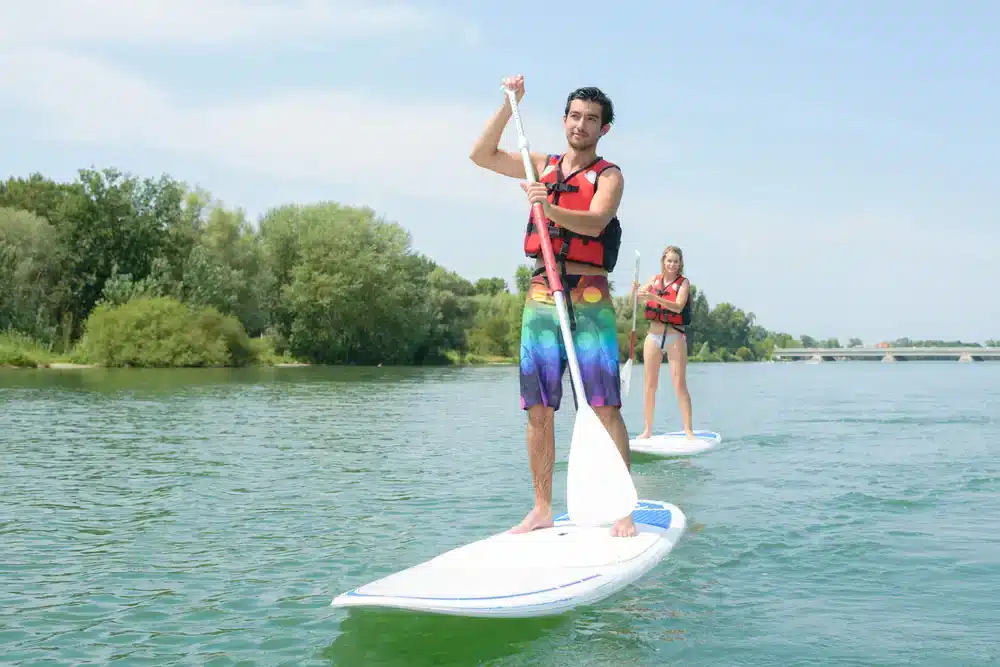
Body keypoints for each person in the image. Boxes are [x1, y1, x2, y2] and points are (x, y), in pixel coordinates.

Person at [469, 74, 636, 538]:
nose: (581, 125)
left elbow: (597, 220)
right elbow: (480, 155)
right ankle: (542, 507)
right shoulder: (539, 163)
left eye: (591, 120)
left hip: (589, 294)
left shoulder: (610, 175)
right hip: (543, 291)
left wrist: (549, 208)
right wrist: (509, 105)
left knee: (604, 404)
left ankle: (622, 508)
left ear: (604, 130)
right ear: (564, 120)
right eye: (575, 116)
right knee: (538, 407)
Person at [633, 245, 695, 440]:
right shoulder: (654, 280)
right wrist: (636, 291)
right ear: (663, 261)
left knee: (679, 385)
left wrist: (653, 297)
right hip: (653, 336)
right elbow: (637, 300)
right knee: (649, 385)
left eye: (676, 261)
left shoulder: (683, 283)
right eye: (669, 260)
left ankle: (688, 430)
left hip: (675, 336)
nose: (672, 264)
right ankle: (647, 430)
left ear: (680, 263)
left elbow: (677, 307)